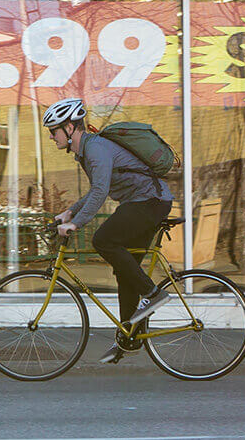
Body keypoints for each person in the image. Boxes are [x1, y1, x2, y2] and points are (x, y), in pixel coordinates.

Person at [43, 98, 174, 364]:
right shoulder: (87, 151)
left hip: (149, 201)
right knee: (126, 271)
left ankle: (154, 294)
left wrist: (76, 224)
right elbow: (96, 190)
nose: (51, 136)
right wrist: (70, 212)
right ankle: (130, 338)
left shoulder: (96, 148)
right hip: (144, 202)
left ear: (69, 128)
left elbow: (101, 192)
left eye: (53, 130)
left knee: (103, 240)